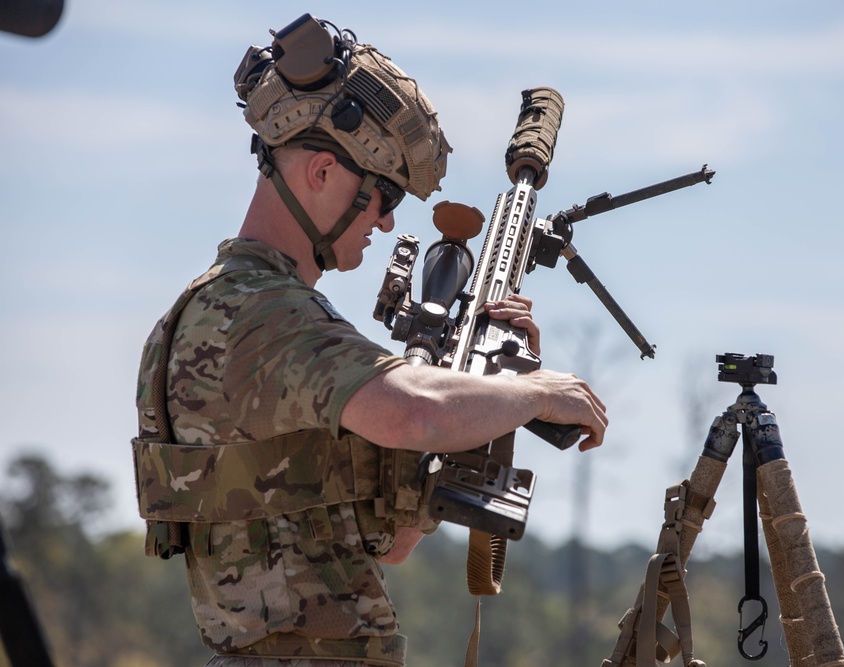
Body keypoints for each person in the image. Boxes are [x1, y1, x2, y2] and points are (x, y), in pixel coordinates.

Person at [131, 13, 607, 667]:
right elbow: (414, 409)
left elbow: (391, 541)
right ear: (322, 172)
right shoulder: (261, 316)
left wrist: (484, 390)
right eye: (382, 195)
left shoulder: (198, 315)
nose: (385, 221)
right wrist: (532, 393)